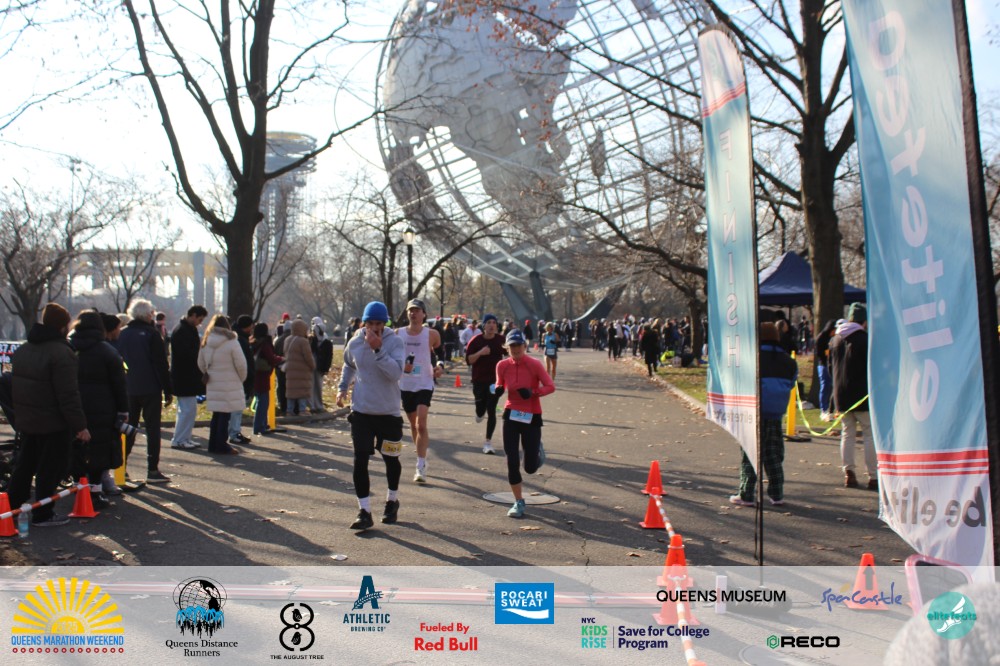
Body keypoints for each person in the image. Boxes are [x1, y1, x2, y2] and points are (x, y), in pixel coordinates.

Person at [9, 302, 91, 526]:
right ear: (63, 326)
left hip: (27, 419)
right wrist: (80, 426)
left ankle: (10, 507)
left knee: (24, 465)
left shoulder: (24, 350)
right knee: (51, 468)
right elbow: (68, 395)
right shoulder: (62, 353)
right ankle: (43, 513)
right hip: (53, 421)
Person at [337, 301, 406, 530]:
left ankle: (392, 501)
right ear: (364, 323)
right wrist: (342, 388)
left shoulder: (394, 342)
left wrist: (378, 350)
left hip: (388, 413)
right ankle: (364, 511)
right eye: (371, 323)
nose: (375, 328)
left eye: (379, 323)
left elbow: (395, 374)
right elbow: (348, 364)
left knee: (391, 460)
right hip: (362, 412)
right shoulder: (355, 341)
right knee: (360, 460)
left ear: (385, 323)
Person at [729, 322, 798, 507]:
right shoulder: (788, 361)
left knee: (750, 453)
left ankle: (746, 493)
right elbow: (792, 383)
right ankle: (777, 493)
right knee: (774, 454)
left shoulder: (752, 358)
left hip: (753, 411)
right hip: (776, 411)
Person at [68, 310, 128, 510]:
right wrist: (123, 410)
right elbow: (119, 385)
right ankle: (95, 493)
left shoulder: (69, 348)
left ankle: (78, 487)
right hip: (103, 407)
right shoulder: (107, 352)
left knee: (77, 449)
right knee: (99, 452)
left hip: (75, 406)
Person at [494, 328, 556, 518]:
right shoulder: (502, 365)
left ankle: (537, 452)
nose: (516, 349)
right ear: (507, 348)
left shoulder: (534, 365)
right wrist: (498, 389)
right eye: (512, 346)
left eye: (518, 345)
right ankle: (518, 501)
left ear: (524, 345)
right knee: (512, 460)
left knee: (530, 467)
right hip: (511, 414)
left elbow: (550, 386)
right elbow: (499, 383)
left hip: (532, 415)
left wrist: (533, 392)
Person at [117, 298, 173, 483]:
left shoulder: (122, 334)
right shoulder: (152, 334)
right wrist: (167, 389)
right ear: (148, 315)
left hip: (128, 387)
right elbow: (160, 363)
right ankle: (152, 470)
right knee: (152, 429)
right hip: (150, 387)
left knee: (128, 427)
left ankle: (121, 467)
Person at [396, 298, 444, 483]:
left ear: (424, 314)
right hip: (406, 384)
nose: (413, 313)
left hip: (424, 382)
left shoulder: (431, 334)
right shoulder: (398, 333)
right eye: (410, 310)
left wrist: (440, 365)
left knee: (421, 423)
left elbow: (440, 352)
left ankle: (421, 465)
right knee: (414, 424)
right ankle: (421, 455)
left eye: (417, 310)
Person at [829, 303, 876, 489]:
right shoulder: (865, 339)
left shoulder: (835, 340)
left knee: (847, 434)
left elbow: (830, 368)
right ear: (864, 321)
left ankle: (849, 472)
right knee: (869, 434)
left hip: (841, 394)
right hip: (862, 394)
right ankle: (873, 475)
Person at [197, 315, 246, 455]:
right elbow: (241, 365)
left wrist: (209, 372)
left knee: (216, 414)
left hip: (213, 381)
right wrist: (240, 378)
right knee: (225, 415)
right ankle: (222, 445)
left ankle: (213, 444)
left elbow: (200, 363)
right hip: (230, 381)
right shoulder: (232, 341)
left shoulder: (206, 341)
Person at [465, 313, 507, 454]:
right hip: (479, 380)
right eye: (488, 322)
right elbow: (469, 360)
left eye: (494, 322)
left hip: (495, 381)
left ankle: (488, 442)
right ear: (484, 326)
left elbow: (510, 354)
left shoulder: (501, 340)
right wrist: (480, 353)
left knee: (492, 409)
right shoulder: (476, 341)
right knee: (480, 409)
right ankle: (479, 412)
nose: (491, 325)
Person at [170, 305, 208, 450]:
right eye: (200, 319)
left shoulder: (185, 329)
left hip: (186, 376)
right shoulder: (183, 331)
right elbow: (186, 355)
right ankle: (180, 439)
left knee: (188, 410)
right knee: (187, 410)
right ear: (193, 315)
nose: (200, 323)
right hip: (184, 376)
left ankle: (184, 438)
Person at [250, 322, 284, 436]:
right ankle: (259, 426)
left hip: (255, 374)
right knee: (263, 402)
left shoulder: (253, 343)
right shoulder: (264, 344)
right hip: (263, 375)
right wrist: (281, 359)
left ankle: (262, 424)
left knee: (260, 400)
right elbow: (271, 358)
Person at [229, 314, 255, 445]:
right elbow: (242, 362)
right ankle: (234, 433)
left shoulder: (237, 337)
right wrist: (247, 376)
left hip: (237, 378)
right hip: (240, 378)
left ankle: (233, 431)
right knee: (237, 408)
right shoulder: (240, 340)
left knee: (235, 408)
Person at [283, 318, 315, 415]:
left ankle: (289, 410)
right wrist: (313, 365)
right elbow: (308, 356)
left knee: (291, 391)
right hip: (302, 371)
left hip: (290, 369)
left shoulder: (287, 340)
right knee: (302, 391)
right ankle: (302, 410)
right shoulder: (303, 341)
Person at [814, 318, 838, 421]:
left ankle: (832, 409)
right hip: (823, 365)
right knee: (825, 386)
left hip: (832, 365)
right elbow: (819, 354)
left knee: (833, 387)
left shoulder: (834, 338)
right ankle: (823, 409)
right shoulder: (821, 338)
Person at [309, 316, 333, 413]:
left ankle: (318, 405)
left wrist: (326, 368)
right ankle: (312, 405)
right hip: (312, 366)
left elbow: (329, 357)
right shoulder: (312, 340)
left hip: (320, 367)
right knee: (311, 386)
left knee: (318, 386)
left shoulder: (326, 342)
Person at [273, 317, 292, 415]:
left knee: (281, 387)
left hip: (279, 366)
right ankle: (290, 407)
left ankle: (282, 405)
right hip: (290, 366)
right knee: (290, 387)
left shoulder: (278, 340)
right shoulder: (292, 339)